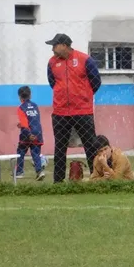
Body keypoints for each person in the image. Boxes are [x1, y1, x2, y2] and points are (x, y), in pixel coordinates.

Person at [46, 33, 101, 184]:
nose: (52, 49)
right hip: (60, 112)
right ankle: (58, 181)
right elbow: (52, 83)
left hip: (83, 111)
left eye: (54, 45)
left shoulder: (85, 60)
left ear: (64, 45)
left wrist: (83, 96)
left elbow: (96, 81)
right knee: (60, 147)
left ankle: (96, 177)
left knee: (90, 145)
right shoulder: (52, 62)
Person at [15, 85, 46, 181]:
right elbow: (33, 120)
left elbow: (25, 124)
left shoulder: (21, 108)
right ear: (30, 95)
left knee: (21, 151)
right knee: (36, 153)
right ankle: (39, 171)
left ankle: (19, 172)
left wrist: (28, 134)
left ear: (19, 97)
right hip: (37, 132)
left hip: (27, 133)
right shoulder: (35, 106)